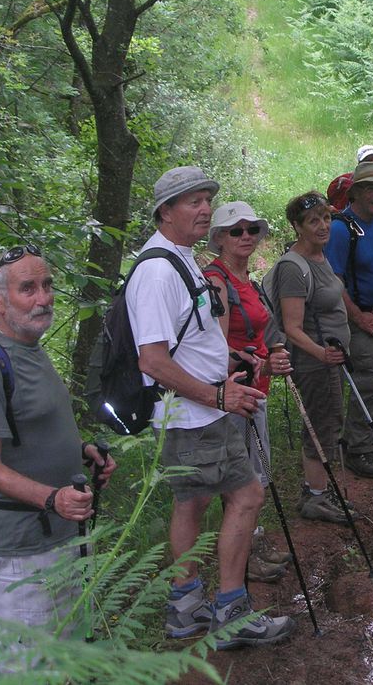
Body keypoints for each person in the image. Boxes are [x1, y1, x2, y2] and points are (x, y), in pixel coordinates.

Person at [126, 165, 294, 649]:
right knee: (246, 497)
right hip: (196, 414)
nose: (203, 209)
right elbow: (152, 360)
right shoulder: (158, 270)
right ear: (164, 211)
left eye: (206, 199)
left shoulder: (180, 260)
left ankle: (186, 607)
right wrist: (217, 394)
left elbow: (188, 340)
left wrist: (232, 357)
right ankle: (231, 613)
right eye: (192, 202)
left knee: (192, 502)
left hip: (200, 412)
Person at [0, 245, 116, 673]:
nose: (43, 297)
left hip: (60, 535)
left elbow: (34, 428)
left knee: (62, 660)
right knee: (28, 668)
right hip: (23, 547)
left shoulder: (31, 347)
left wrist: (83, 452)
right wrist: (52, 498)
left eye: (47, 285)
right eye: (27, 288)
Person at [203, 202, 294, 582]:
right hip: (234, 395)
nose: (246, 237)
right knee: (243, 481)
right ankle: (243, 560)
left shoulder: (247, 279)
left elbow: (257, 336)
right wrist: (250, 364)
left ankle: (252, 544)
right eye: (235, 231)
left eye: (251, 230)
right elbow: (215, 349)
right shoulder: (217, 280)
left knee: (256, 473)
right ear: (220, 238)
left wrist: (271, 362)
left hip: (254, 390)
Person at [268, 192, 352, 524]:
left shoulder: (320, 256)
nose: (323, 226)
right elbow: (292, 327)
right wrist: (322, 353)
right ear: (297, 226)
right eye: (313, 220)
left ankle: (320, 492)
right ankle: (315, 497)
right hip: (313, 360)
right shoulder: (293, 267)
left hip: (328, 357)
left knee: (330, 420)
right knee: (322, 423)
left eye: (326, 218)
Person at [325, 160, 373, 479]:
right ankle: (357, 447)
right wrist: (359, 318)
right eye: (371, 188)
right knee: (370, 375)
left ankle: (366, 436)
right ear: (355, 192)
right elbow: (333, 282)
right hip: (354, 317)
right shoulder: (341, 229)